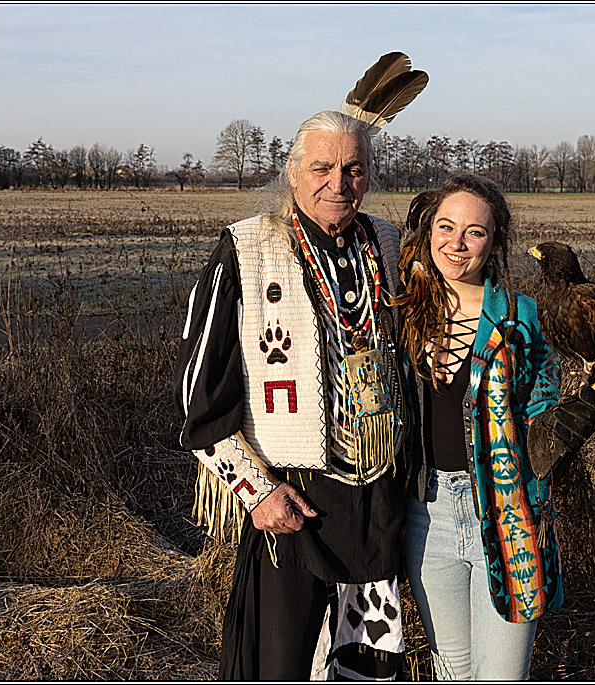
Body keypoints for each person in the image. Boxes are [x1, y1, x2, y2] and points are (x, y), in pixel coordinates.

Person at [173, 110, 409, 680]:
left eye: (354, 168)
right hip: (290, 503)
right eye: (322, 167)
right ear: (293, 171)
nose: (339, 183)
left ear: (370, 174)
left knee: (366, 665)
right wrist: (255, 492)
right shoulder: (248, 248)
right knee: (278, 666)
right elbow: (199, 396)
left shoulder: (387, 243)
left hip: (375, 504)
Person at [394, 174, 595, 680]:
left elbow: (542, 422)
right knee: (452, 673)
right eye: (446, 227)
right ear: (428, 232)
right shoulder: (403, 314)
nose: (457, 243)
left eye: (474, 231)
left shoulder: (524, 318)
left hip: (509, 514)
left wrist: (585, 408)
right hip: (426, 518)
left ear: (495, 241)